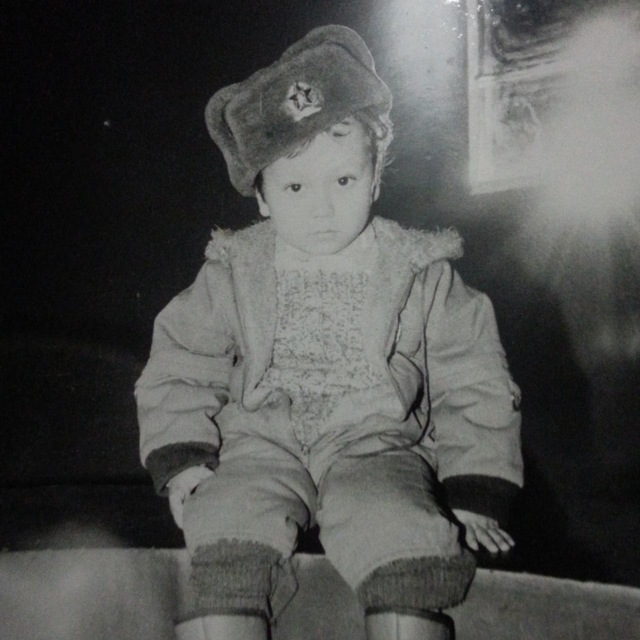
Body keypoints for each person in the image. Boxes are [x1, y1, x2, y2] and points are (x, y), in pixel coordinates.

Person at [136, 24, 523, 640]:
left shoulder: (420, 268)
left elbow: (473, 376)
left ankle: (404, 616)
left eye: (343, 181)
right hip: (259, 441)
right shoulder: (234, 268)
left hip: (374, 443)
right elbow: (182, 358)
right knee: (227, 522)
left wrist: (475, 485)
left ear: (375, 177)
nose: (321, 208)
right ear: (262, 198)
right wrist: (183, 459)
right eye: (295, 187)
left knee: (400, 528)